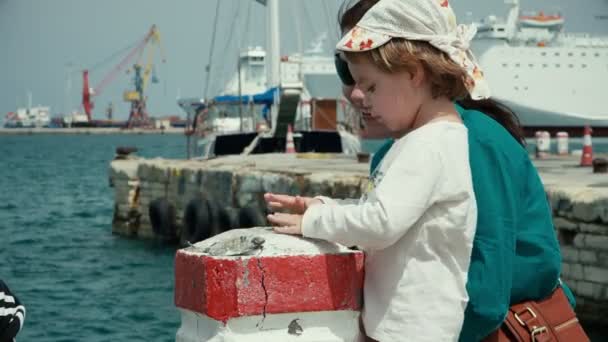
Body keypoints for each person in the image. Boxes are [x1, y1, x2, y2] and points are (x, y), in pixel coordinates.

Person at [266, 0, 579, 341]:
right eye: (347, 70)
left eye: (367, 80)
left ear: (413, 72)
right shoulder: (397, 149)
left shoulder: (471, 142)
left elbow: (486, 291)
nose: (356, 92)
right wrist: (327, 208)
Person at [268, 0, 481, 340]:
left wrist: (314, 222)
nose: (362, 98)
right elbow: (391, 211)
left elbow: (381, 223)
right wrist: (327, 206)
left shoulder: (428, 146)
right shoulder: (432, 140)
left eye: (372, 87)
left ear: (414, 74)